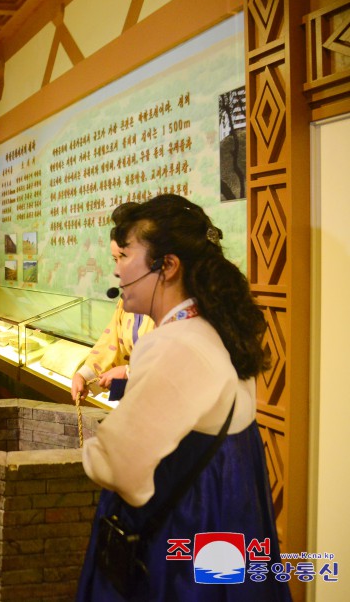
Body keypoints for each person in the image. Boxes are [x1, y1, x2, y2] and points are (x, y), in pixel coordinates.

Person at [77, 194, 289, 600]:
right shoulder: (212, 330)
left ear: (168, 266)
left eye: (126, 256)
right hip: (223, 522)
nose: (118, 269)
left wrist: (92, 450)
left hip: (181, 536)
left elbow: (118, 466)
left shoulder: (175, 343)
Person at [70, 230, 155, 402]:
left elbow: (182, 362)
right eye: (115, 260)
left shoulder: (177, 304)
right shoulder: (127, 300)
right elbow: (112, 341)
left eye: (124, 258)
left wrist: (130, 372)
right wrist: (85, 375)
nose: (117, 270)